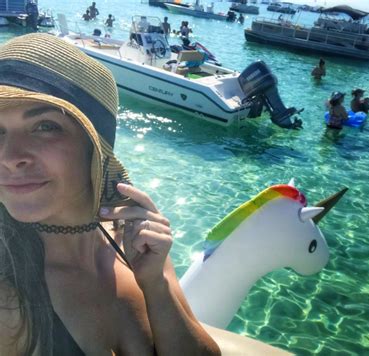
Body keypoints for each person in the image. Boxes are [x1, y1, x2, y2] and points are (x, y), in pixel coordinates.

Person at [0, 33, 221, 355]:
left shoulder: (134, 241)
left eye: (45, 126)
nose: (9, 156)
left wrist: (155, 285)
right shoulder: (9, 291)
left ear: (96, 148)